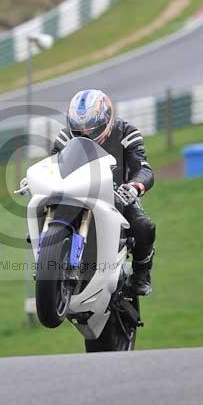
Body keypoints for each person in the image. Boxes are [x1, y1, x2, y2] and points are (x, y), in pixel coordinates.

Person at [51, 88, 156, 295]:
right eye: (79, 130)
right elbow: (52, 165)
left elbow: (144, 168)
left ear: (107, 120)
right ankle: (49, 257)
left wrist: (134, 187)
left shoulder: (127, 133)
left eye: (92, 129)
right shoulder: (64, 137)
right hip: (75, 193)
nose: (86, 135)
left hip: (117, 195)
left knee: (144, 227)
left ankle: (141, 274)